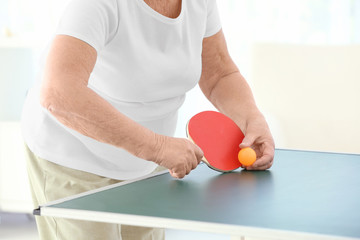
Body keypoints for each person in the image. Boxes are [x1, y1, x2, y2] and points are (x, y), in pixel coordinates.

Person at [21, 0, 275, 239]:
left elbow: (219, 73)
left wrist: (253, 119)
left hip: (146, 165)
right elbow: (59, 94)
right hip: (75, 157)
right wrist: (158, 147)